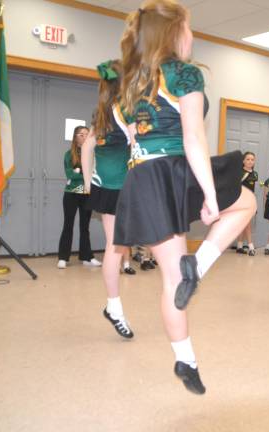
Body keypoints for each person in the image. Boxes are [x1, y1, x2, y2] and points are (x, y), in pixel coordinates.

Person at [116, 0, 256, 395]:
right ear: (174, 33)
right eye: (189, 28)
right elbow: (194, 137)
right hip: (173, 170)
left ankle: (185, 359)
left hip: (141, 178)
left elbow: (127, 129)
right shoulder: (183, 74)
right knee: (246, 202)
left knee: (171, 280)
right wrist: (210, 195)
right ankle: (201, 262)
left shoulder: (134, 77)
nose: (192, 36)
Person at [81, 60, 135, 339]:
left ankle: (114, 306)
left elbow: (87, 146)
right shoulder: (124, 110)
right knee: (116, 248)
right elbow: (138, 147)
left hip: (107, 187)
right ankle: (114, 307)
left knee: (117, 246)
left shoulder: (101, 111)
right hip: (118, 188)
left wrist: (90, 182)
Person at [57, 126, 101, 269]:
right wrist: (84, 174)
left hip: (87, 194)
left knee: (85, 227)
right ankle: (63, 257)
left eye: (87, 134)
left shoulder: (93, 154)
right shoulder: (69, 154)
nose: (84, 137)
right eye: (81, 134)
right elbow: (71, 175)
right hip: (71, 194)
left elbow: (95, 174)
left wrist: (80, 173)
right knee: (68, 225)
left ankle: (87, 257)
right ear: (75, 137)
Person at [236, 152, 258, 255]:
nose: (250, 161)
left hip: (250, 201)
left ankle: (239, 246)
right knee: (247, 224)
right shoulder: (240, 172)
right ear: (243, 161)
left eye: (252, 159)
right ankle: (251, 247)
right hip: (241, 201)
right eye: (248, 159)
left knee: (243, 224)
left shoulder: (255, 174)